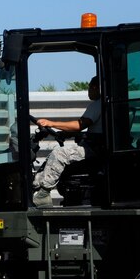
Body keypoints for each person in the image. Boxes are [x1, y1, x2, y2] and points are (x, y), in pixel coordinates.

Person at [31, 76, 102, 207]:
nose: (88, 91)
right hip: (93, 146)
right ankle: (35, 186)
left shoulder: (98, 104)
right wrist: (63, 133)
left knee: (59, 153)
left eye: (89, 87)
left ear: (95, 87)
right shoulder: (100, 104)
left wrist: (51, 123)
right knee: (52, 157)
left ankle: (44, 193)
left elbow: (80, 125)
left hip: (94, 150)